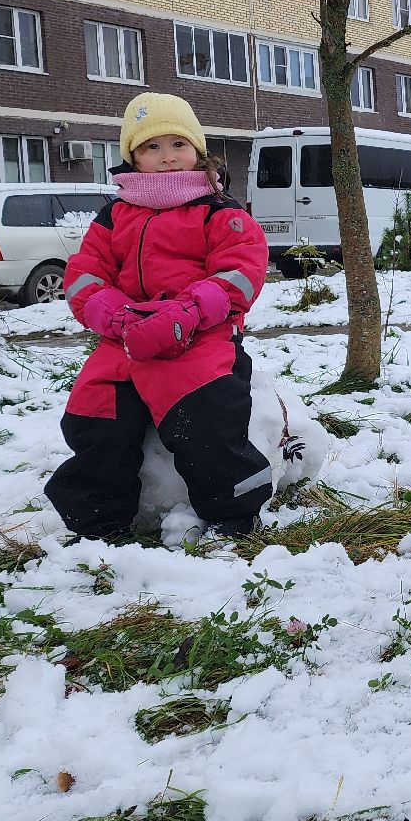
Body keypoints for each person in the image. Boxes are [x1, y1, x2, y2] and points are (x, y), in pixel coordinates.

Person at [47, 93, 272, 542]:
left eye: (178, 144)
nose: (168, 156)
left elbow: (241, 270)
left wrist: (189, 309)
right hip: (126, 338)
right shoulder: (114, 215)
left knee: (209, 419)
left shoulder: (219, 211)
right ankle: (96, 525)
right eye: (152, 147)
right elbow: (85, 272)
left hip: (199, 338)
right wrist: (110, 312)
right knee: (93, 418)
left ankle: (234, 517)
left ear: (197, 150)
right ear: (133, 156)